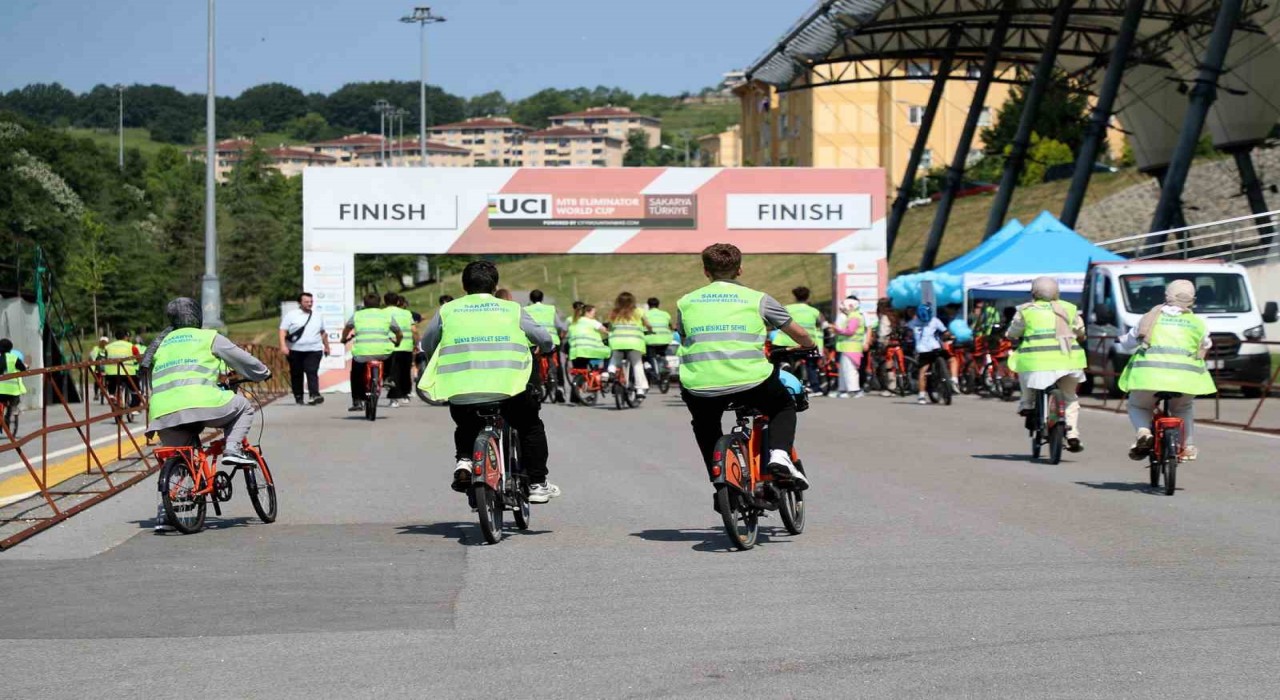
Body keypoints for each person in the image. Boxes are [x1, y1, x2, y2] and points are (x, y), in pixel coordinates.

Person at [418, 261, 561, 503]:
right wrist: (547, 348)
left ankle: (464, 460)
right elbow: (543, 339)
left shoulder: (448, 310)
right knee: (530, 426)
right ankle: (537, 483)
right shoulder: (511, 309)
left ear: (464, 286)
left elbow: (427, 343)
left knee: (465, 424)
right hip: (509, 388)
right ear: (495, 286)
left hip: (461, 389)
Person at [676, 243, 813, 495]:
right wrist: (809, 345)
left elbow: (683, 334)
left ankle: (721, 485)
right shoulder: (757, 298)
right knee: (782, 406)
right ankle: (780, 456)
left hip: (700, 384)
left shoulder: (686, 302)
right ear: (740, 270)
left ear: (706, 271)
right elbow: (798, 332)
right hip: (751, 380)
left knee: (705, 425)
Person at [140, 298, 272, 532]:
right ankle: (232, 449)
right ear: (197, 315)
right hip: (202, 402)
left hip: (162, 411)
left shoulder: (160, 344)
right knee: (243, 407)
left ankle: (165, 514)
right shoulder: (208, 337)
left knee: (176, 458)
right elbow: (243, 360)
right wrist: (262, 373)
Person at [1118, 279, 1216, 461]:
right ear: (1192, 300)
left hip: (1148, 378)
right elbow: (1206, 344)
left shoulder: (1149, 318)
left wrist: (1122, 340)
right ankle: (1187, 446)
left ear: (1166, 297)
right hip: (1185, 379)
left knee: (1138, 405)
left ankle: (1144, 433)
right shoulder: (1198, 323)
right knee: (1183, 407)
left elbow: (1128, 342)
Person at [1006, 276, 1087, 452]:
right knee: (1070, 397)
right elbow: (1080, 330)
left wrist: (1012, 335)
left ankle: (1027, 403)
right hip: (1069, 362)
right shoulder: (1070, 308)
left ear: (1033, 293)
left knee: (1021, 367)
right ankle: (1073, 434)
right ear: (1057, 292)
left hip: (1036, 362)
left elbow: (1013, 331)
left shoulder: (1026, 310)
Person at [341, 293, 403, 413]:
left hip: (361, 354)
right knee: (391, 355)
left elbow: (347, 328)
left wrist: (343, 339)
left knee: (356, 374)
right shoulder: (386, 315)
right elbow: (398, 332)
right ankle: (387, 378)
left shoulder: (358, 315)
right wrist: (397, 342)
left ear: (364, 304)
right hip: (383, 352)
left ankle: (357, 400)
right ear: (380, 303)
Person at [278, 291, 330, 406]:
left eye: (311, 301)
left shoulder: (318, 315)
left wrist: (326, 346)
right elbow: (283, 330)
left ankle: (314, 395)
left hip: (314, 349)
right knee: (296, 373)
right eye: (306, 302)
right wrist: (283, 345)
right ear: (300, 303)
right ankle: (298, 396)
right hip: (295, 350)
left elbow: (323, 332)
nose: (309, 304)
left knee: (312, 371)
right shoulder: (292, 315)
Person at [772, 286, 826, 393]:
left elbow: (776, 322)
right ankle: (815, 388)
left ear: (795, 297)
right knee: (811, 365)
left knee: (780, 361)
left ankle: (784, 381)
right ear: (808, 297)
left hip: (784, 342)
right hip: (806, 344)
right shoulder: (814, 311)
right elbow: (823, 325)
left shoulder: (787, 308)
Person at [606, 292, 652, 399]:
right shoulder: (638, 312)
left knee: (615, 357)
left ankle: (611, 371)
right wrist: (650, 329)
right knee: (637, 364)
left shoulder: (614, 313)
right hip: (634, 342)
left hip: (617, 342)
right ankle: (640, 389)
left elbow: (610, 327)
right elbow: (647, 324)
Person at [525, 289, 567, 397]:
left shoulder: (526, 309)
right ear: (542, 298)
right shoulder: (551, 309)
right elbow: (560, 326)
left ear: (530, 298)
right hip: (552, 339)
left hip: (534, 341)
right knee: (557, 364)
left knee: (534, 364)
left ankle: (536, 387)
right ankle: (560, 387)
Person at [908, 303, 952, 405]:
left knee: (923, 371)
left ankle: (921, 396)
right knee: (951, 359)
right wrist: (949, 336)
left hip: (926, 349)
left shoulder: (913, 323)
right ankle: (952, 378)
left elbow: (908, 333)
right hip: (930, 348)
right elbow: (945, 332)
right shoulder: (934, 320)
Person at [385, 292, 417, 408]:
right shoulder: (407, 313)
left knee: (393, 374)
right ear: (398, 302)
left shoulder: (383, 313)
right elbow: (414, 330)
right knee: (404, 372)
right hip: (407, 346)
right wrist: (416, 343)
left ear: (385, 302)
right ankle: (405, 395)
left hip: (390, 347)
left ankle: (394, 399)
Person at [832, 296, 866, 398]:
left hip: (851, 347)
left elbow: (850, 331)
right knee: (844, 370)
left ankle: (853, 390)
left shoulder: (854, 317)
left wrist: (837, 330)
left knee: (850, 370)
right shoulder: (853, 315)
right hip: (848, 347)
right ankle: (843, 390)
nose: (842, 308)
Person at [103, 329, 142, 408]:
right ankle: (134, 408)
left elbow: (102, 358)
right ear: (126, 337)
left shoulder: (108, 347)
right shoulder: (132, 346)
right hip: (127, 373)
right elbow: (139, 359)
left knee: (111, 381)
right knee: (136, 390)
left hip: (111, 373)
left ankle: (111, 395)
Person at [874, 298, 901, 397]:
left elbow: (883, 332)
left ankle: (891, 388)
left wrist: (879, 343)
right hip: (896, 342)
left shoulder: (884, 317)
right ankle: (896, 386)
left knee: (887, 365)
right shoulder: (894, 315)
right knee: (895, 364)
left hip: (887, 343)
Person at [643, 297, 674, 381]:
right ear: (658, 305)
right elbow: (671, 326)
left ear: (648, 305)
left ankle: (654, 371)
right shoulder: (665, 314)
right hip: (665, 340)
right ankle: (665, 365)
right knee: (662, 353)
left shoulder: (645, 314)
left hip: (651, 340)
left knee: (649, 356)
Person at [1, 339, 29, 425]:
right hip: (12, 391)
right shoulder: (14, 358)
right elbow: (23, 369)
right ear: (10, 349)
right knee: (13, 403)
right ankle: (9, 415)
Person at [89, 336, 109, 400]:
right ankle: (96, 394)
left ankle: (103, 390)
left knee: (108, 379)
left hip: (106, 367)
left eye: (105, 342)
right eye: (102, 342)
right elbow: (92, 357)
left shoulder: (108, 349)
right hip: (97, 367)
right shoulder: (96, 348)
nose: (103, 343)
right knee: (97, 380)